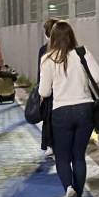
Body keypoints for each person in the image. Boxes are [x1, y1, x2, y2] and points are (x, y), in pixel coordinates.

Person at [39, 20, 99, 197]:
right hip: (85, 110)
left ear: (52, 37)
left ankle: (69, 189)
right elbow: (98, 77)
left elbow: (44, 91)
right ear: (71, 36)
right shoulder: (82, 53)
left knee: (62, 157)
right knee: (78, 156)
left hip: (61, 112)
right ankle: (80, 196)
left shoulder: (48, 59)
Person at [36, 18, 58, 156]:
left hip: (48, 89)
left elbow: (40, 72)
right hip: (61, 89)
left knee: (48, 118)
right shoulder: (68, 48)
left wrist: (40, 92)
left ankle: (50, 144)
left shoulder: (44, 50)